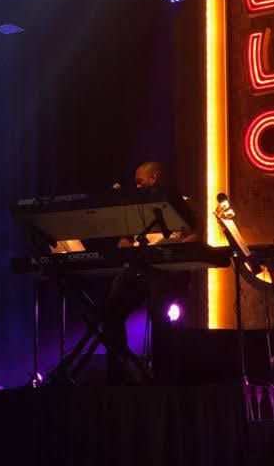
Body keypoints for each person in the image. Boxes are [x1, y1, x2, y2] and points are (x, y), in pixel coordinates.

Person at [101, 162, 198, 384]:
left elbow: (194, 235)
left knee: (159, 312)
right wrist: (126, 248)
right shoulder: (135, 209)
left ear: (155, 177)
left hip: (166, 270)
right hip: (138, 267)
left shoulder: (180, 205)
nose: (136, 186)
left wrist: (176, 251)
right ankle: (121, 371)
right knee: (110, 311)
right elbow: (124, 240)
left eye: (140, 181)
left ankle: (164, 377)